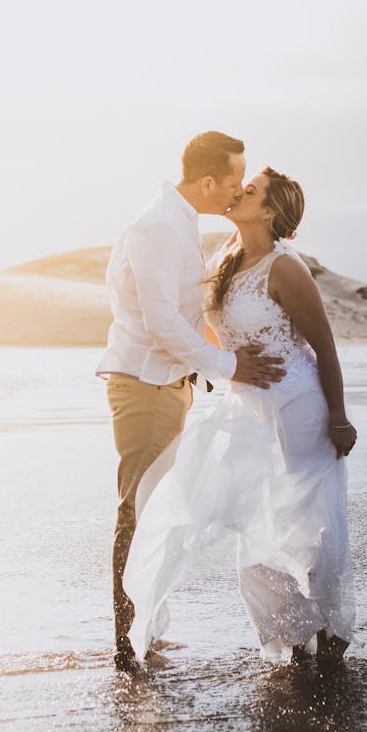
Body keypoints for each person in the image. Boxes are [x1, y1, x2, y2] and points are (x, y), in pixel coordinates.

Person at [123, 167, 357, 667]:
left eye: (249, 190)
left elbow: (325, 346)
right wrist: (215, 365)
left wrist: (339, 416)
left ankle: (332, 631)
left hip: (299, 408)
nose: (237, 191)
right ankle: (295, 635)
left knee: (309, 525)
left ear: (268, 211)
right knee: (253, 526)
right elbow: (208, 332)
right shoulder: (224, 258)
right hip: (246, 412)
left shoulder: (285, 268)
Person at [96, 133, 285, 673]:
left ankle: (144, 630)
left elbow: (181, 310)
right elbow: (161, 322)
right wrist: (228, 366)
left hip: (168, 384)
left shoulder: (179, 221)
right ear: (207, 182)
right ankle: (126, 642)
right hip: (146, 384)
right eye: (231, 182)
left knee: (153, 508)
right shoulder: (158, 226)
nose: (235, 191)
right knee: (137, 510)